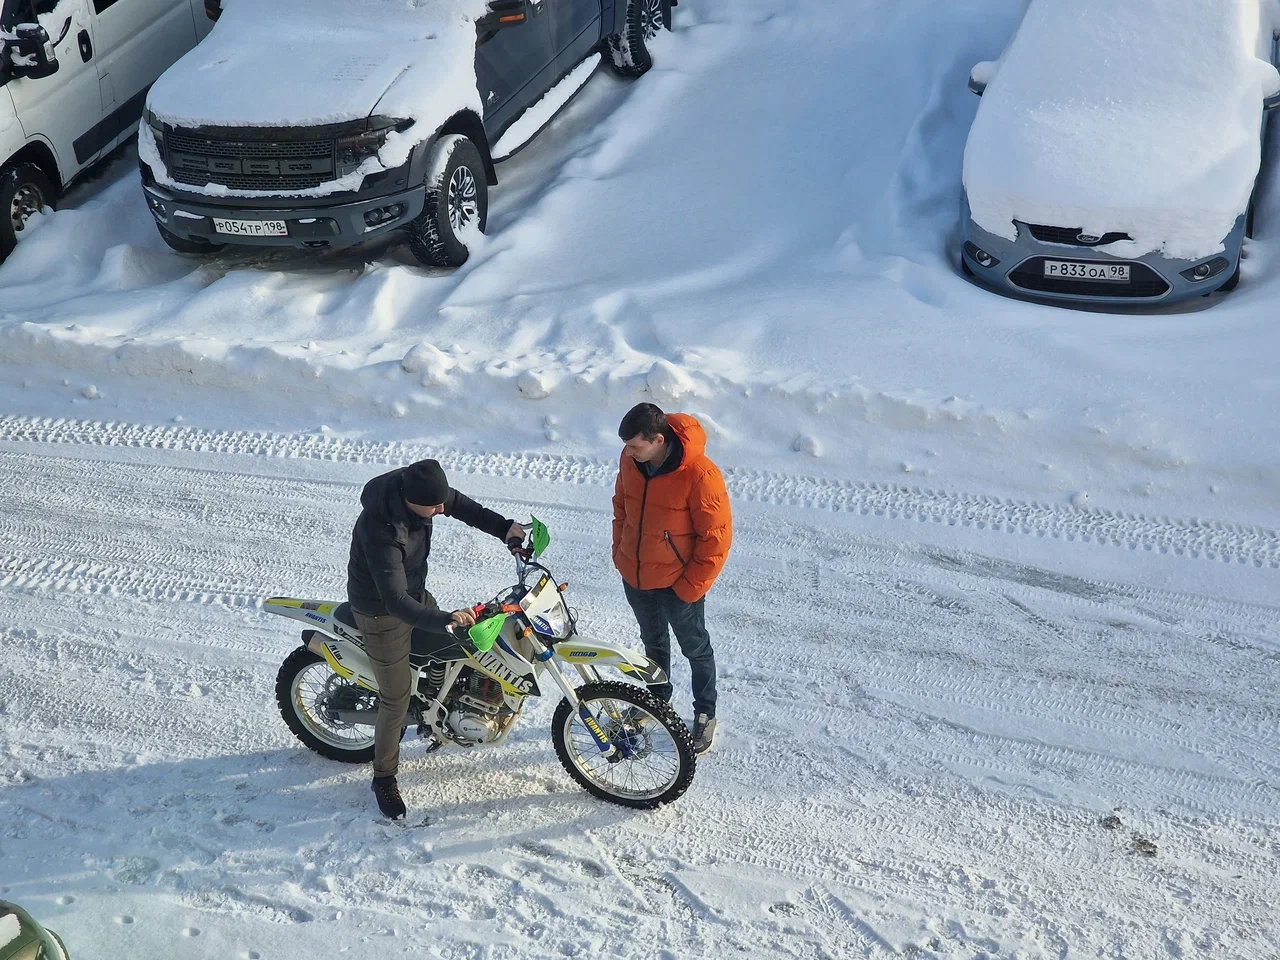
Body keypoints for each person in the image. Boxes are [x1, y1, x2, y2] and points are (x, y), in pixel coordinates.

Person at [347, 459, 524, 819]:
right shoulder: (382, 530)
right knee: (395, 697)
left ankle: (436, 709)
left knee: (453, 651)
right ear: (412, 502)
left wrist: (505, 528)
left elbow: (460, 505)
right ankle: (383, 777)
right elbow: (395, 602)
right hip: (382, 613)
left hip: (415, 595)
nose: (441, 510)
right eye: (435, 507)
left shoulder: (419, 489)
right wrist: (445, 618)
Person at [611, 403, 732, 754]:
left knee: (695, 648)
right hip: (635, 576)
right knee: (653, 644)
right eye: (626, 446)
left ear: (658, 439)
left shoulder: (701, 475)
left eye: (635, 446)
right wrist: (620, 551)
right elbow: (621, 505)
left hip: (679, 585)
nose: (628, 453)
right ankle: (657, 703)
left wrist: (688, 588)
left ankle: (705, 713)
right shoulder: (629, 459)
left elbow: (716, 540)